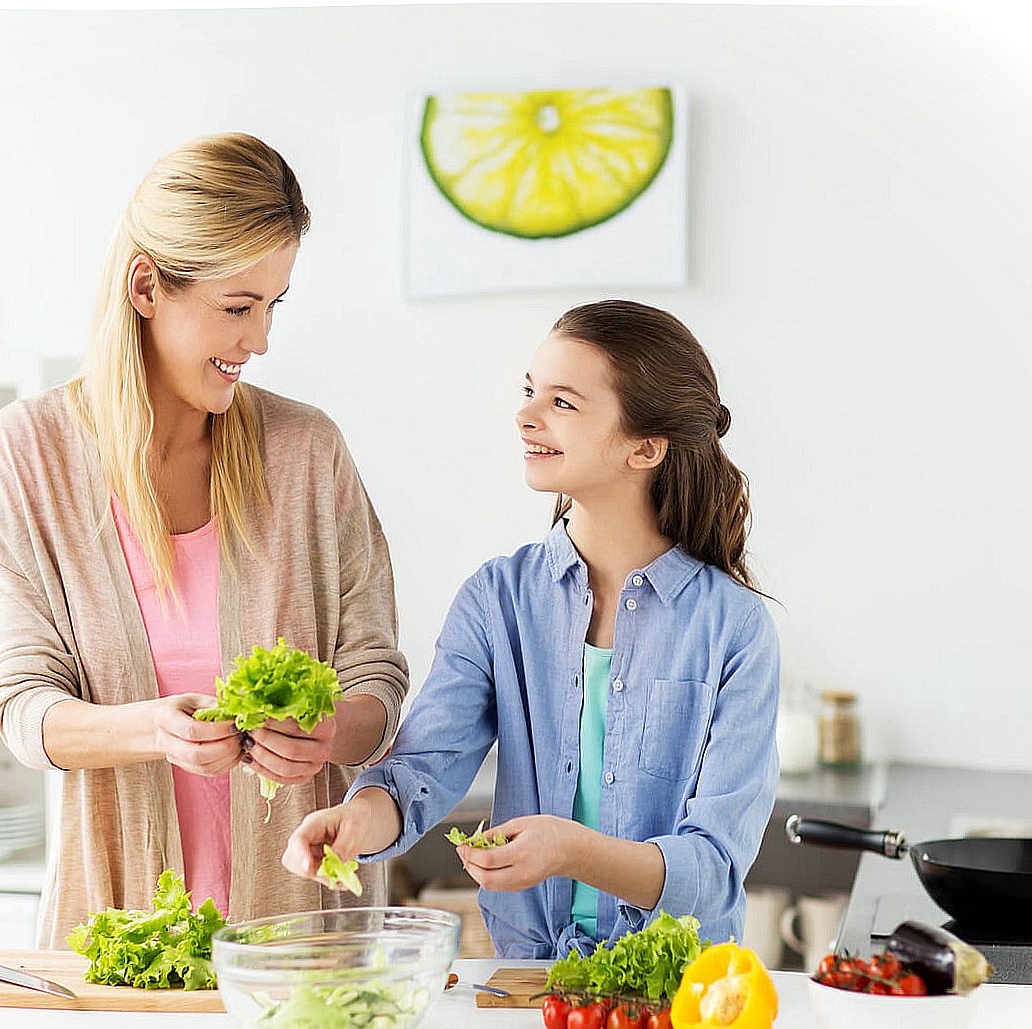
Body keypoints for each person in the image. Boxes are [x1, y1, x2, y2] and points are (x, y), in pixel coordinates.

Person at [0, 133, 407, 947]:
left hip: (300, 945)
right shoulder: (27, 455)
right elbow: (25, 708)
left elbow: (377, 683)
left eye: (274, 305)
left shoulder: (308, 454)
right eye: (238, 307)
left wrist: (325, 734)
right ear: (146, 286)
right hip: (114, 935)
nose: (262, 338)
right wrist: (153, 730)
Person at [283, 300, 779, 956]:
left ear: (646, 446)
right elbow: (419, 769)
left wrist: (572, 852)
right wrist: (355, 822)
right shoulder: (497, 601)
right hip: (528, 990)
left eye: (563, 402)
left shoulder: (734, 627)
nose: (526, 414)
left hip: (681, 1000)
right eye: (529, 392)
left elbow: (713, 869)